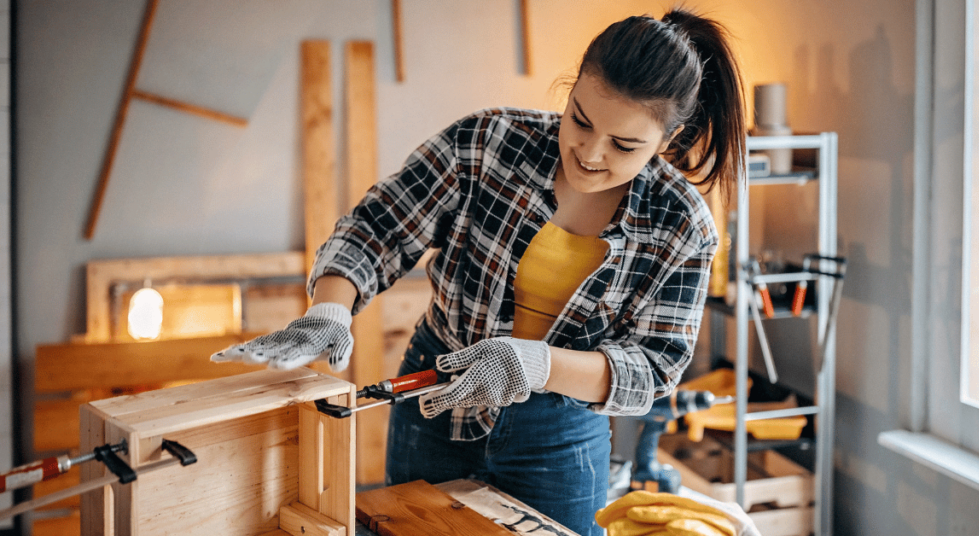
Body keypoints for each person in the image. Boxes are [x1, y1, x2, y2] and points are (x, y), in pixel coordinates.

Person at [213, 7, 745, 535]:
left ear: (667, 143)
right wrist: (330, 306)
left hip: (559, 434)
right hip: (437, 394)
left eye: (624, 145)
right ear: (572, 89)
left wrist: (535, 364)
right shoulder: (488, 142)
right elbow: (378, 228)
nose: (589, 151)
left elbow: (653, 368)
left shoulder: (683, 225)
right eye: (579, 119)